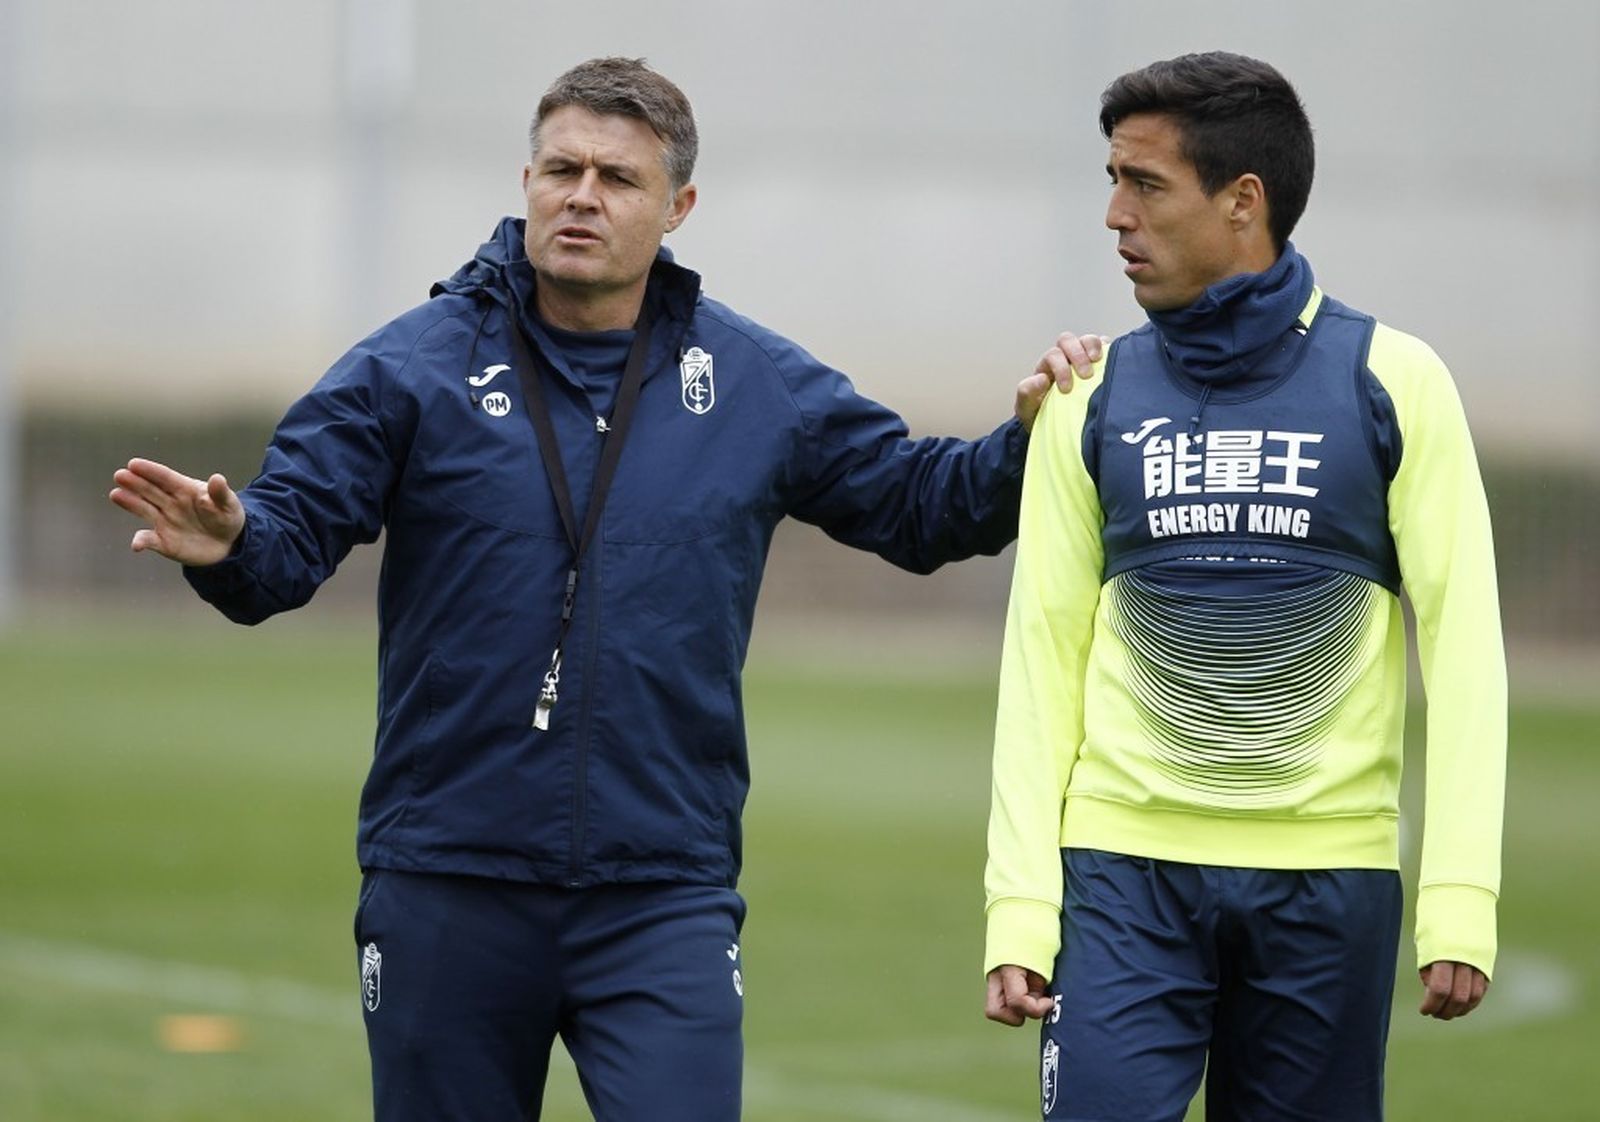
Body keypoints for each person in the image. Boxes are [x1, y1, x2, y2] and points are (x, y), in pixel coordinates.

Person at [109, 57, 1098, 1122]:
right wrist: (234, 542)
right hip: (448, 877)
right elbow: (288, 539)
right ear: (526, 180)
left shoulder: (751, 381)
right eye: (559, 169)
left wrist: (1026, 442)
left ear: (677, 207)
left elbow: (917, 503)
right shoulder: (413, 368)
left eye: (617, 179)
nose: (580, 195)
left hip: (661, 888)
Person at [981, 52, 1505, 1121]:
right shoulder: (1090, 393)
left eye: (1144, 184)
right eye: (1112, 180)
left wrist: (1458, 898)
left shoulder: (1393, 381)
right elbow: (1040, 655)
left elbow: (1464, 650)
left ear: (1242, 203)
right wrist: (1020, 908)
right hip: (1122, 873)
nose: (1114, 214)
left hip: (1330, 884)